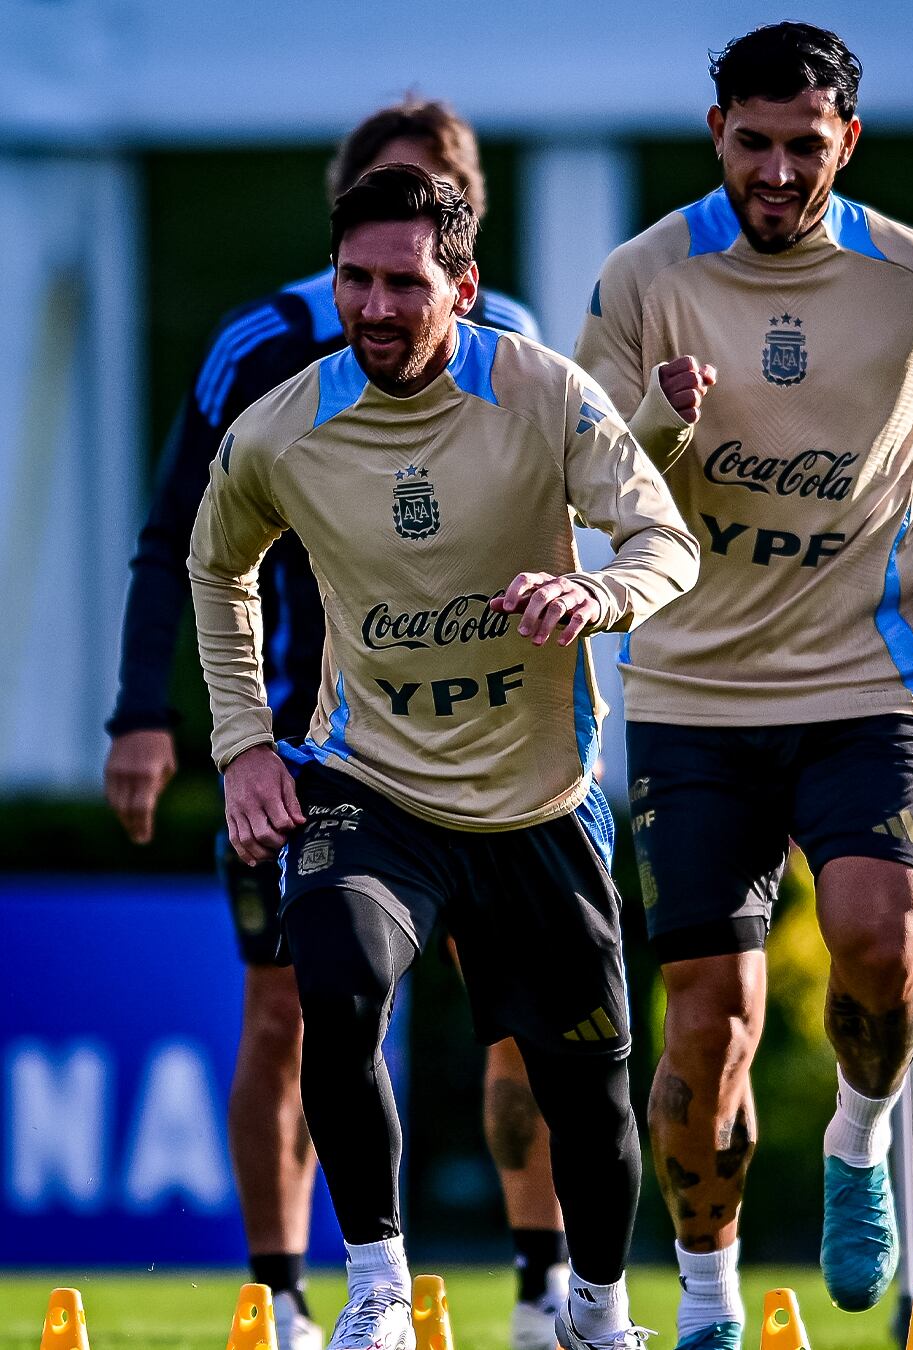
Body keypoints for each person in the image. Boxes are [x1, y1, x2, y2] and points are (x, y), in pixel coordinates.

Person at [574, 21, 913, 1350]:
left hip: (871, 671)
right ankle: (715, 1295)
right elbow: (588, 469)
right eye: (753, 144)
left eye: (805, 144)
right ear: (715, 134)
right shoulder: (641, 278)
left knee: (883, 948)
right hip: (695, 688)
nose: (777, 171)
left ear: (848, 138)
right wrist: (665, 418)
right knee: (707, 1025)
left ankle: (860, 1135)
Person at [188, 164, 699, 1350]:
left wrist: (596, 591)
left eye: (403, 283)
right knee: (336, 981)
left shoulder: (546, 394)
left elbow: (662, 538)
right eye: (354, 279)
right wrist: (244, 748)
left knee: (591, 1084)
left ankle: (595, 1310)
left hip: (540, 796)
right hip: (369, 783)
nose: (373, 305)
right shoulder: (280, 429)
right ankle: (378, 1291)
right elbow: (217, 572)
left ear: (461, 289)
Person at [103, 100, 568, 1350]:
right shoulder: (258, 345)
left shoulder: (517, 350)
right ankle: (289, 1299)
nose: (379, 286)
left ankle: (539, 1288)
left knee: (523, 1018)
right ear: (340, 208)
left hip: (490, 758)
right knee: (291, 1009)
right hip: (310, 756)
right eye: (371, 211)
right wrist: (146, 713)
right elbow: (179, 544)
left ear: (459, 235)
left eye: (423, 206)